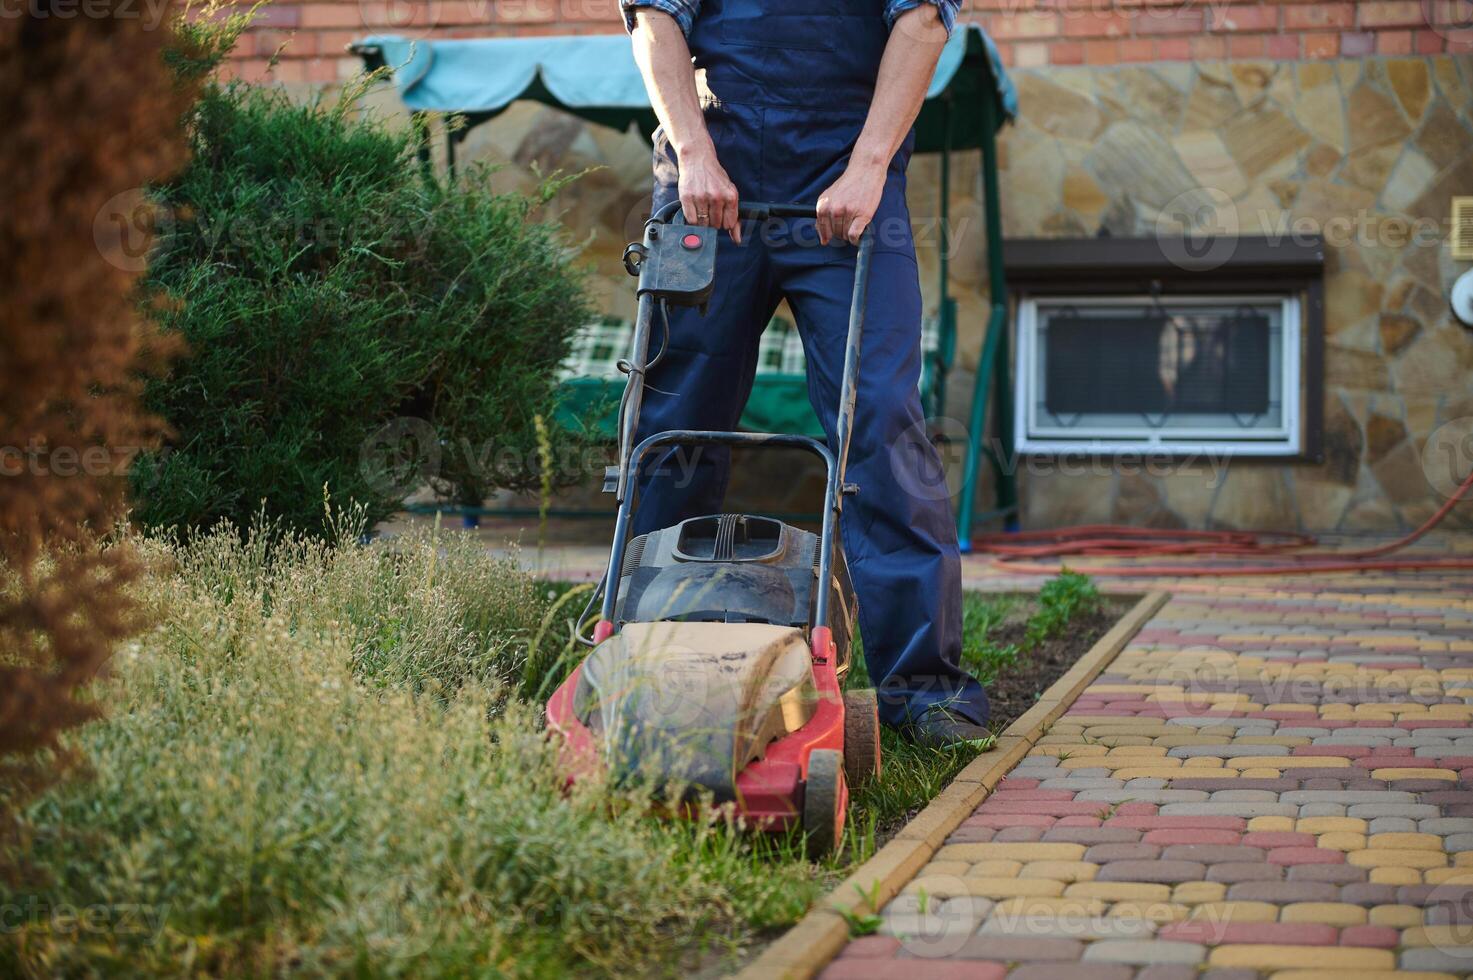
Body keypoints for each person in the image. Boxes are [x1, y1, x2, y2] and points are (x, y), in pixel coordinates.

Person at [623, 0, 990, 746]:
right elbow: (653, 21)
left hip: (848, 183)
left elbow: (920, 23)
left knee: (879, 417)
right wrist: (694, 155)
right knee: (672, 421)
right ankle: (642, 660)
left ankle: (923, 693)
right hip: (708, 179)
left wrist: (867, 167)